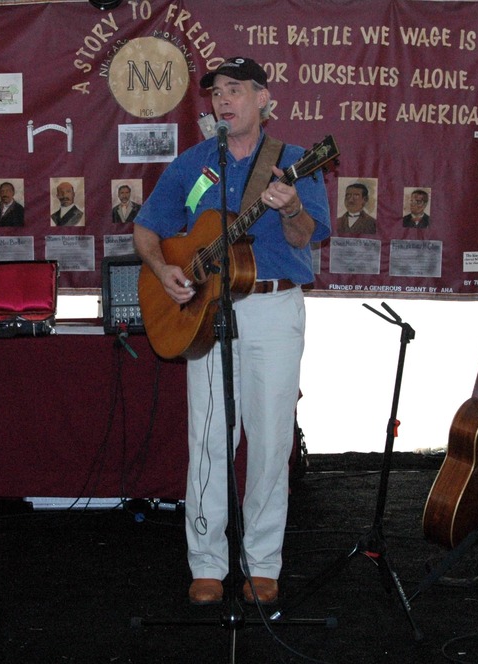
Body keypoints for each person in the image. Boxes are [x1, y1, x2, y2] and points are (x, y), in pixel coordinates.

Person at [133, 57, 330, 607]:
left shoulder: (294, 163)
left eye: (236, 90)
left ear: (265, 100)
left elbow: (307, 234)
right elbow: (147, 229)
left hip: (272, 306)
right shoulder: (194, 162)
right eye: (216, 92)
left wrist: (290, 205)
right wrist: (162, 269)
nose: (223, 100)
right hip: (206, 311)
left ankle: (263, 562)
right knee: (209, 437)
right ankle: (206, 563)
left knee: (270, 441)